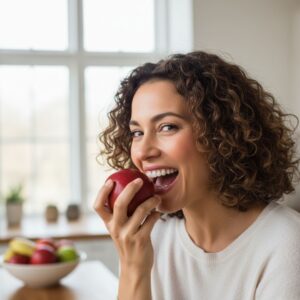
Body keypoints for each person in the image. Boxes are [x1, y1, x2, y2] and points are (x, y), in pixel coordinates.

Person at [94, 51, 300, 300]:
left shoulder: (287, 244)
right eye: (137, 132)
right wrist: (133, 268)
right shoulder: (151, 237)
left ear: (221, 135)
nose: (144, 151)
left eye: (167, 127)